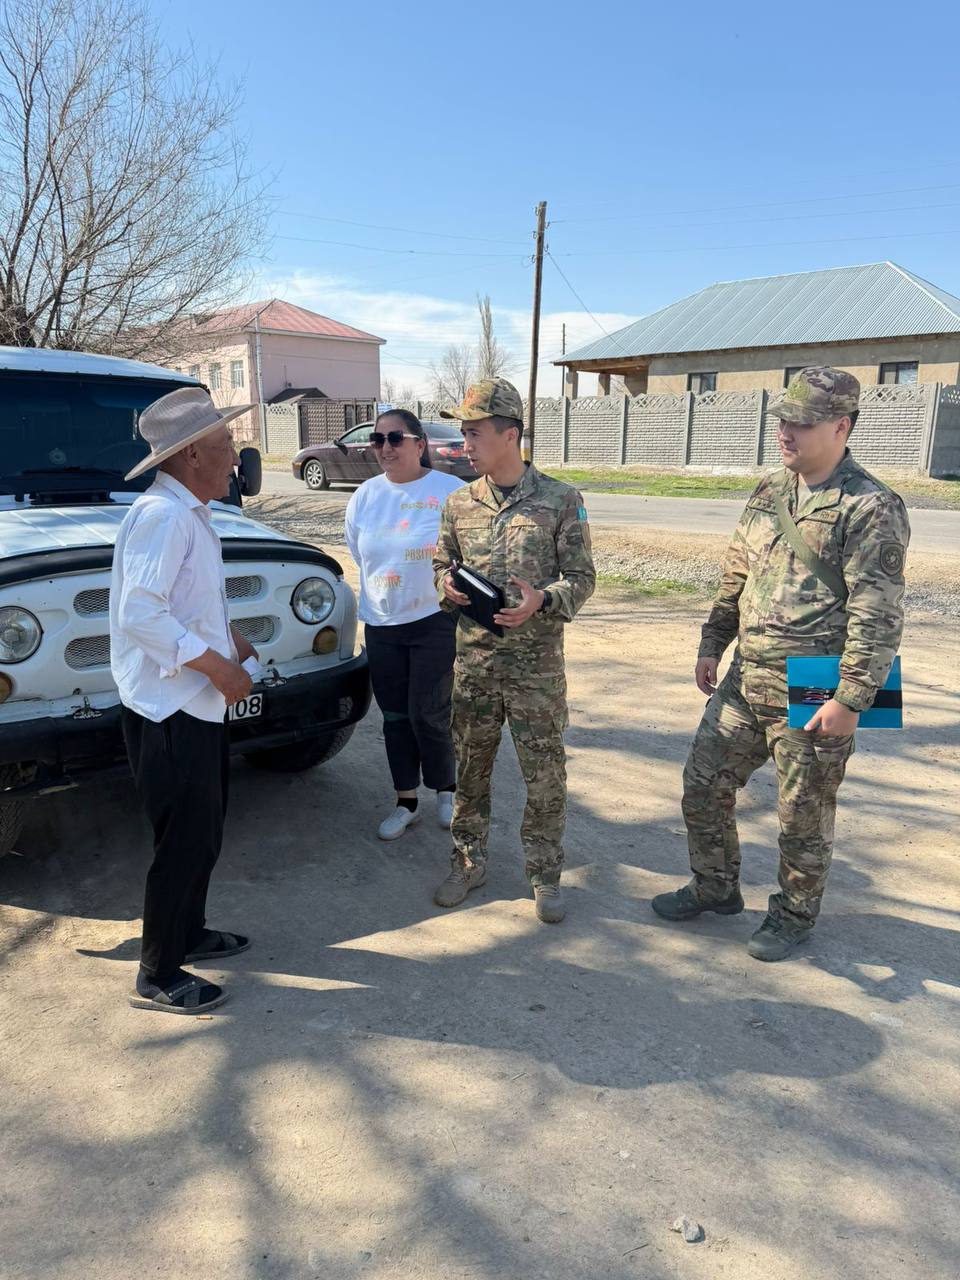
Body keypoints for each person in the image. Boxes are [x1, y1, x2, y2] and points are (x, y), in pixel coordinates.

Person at [652, 367, 910, 961]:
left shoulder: (872, 507)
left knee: (803, 814)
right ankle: (715, 887)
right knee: (702, 786)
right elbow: (736, 574)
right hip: (748, 676)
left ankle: (794, 915)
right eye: (783, 420)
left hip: (816, 685)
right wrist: (711, 642)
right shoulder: (770, 492)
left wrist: (851, 700)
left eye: (802, 422)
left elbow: (879, 617)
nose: (786, 432)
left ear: (842, 426)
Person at [110, 386, 258, 1014]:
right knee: (183, 842)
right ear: (193, 454)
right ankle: (158, 971)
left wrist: (230, 639)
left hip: (192, 702)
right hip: (170, 707)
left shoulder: (188, 513)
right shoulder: (163, 517)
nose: (236, 459)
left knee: (204, 831)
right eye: (226, 446)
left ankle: (188, 932)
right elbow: (140, 614)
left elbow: (182, 602)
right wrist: (219, 669)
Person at [432, 378, 596, 923]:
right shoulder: (458, 503)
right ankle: (468, 861)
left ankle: (545, 875)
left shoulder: (560, 499)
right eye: (462, 433)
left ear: (510, 434)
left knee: (544, 776)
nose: (465, 444)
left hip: (536, 673)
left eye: (474, 433)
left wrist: (542, 600)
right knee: (471, 771)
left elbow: (583, 578)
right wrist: (447, 589)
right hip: (474, 667)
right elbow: (442, 563)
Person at [344, 409, 464, 840]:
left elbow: (464, 555)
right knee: (394, 716)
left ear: (419, 444)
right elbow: (360, 553)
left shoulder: (450, 492)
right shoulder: (364, 496)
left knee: (429, 712)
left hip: (434, 619)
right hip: (382, 620)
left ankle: (446, 792)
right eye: (378, 440)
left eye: (395, 438)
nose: (386, 448)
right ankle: (406, 800)